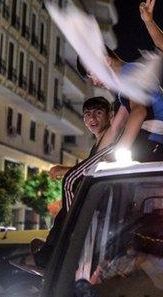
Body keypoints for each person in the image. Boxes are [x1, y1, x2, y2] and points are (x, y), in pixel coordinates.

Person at [34, 97, 117, 267]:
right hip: (93, 200)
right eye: (87, 114)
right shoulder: (98, 142)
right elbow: (89, 167)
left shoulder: (110, 137)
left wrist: (65, 171)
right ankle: (47, 254)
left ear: (110, 116)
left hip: (99, 203)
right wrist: (65, 169)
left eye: (98, 113)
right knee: (62, 215)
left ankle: (49, 256)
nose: (92, 119)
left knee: (66, 213)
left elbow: (94, 169)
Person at [78, 47, 163, 162]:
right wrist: (93, 161)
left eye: (93, 73)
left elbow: (139, 112)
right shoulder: (124, 87)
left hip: (155, 143)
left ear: (107, 61)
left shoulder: (130, 73)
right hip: (151, 143)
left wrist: (120, 150)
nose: (95, 82)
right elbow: (115, 128)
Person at [91, 213, 163, 284]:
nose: (132, 239)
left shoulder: (159, 272)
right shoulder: (125, 260)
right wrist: (100, 271)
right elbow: (96, 283)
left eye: (137, 235)